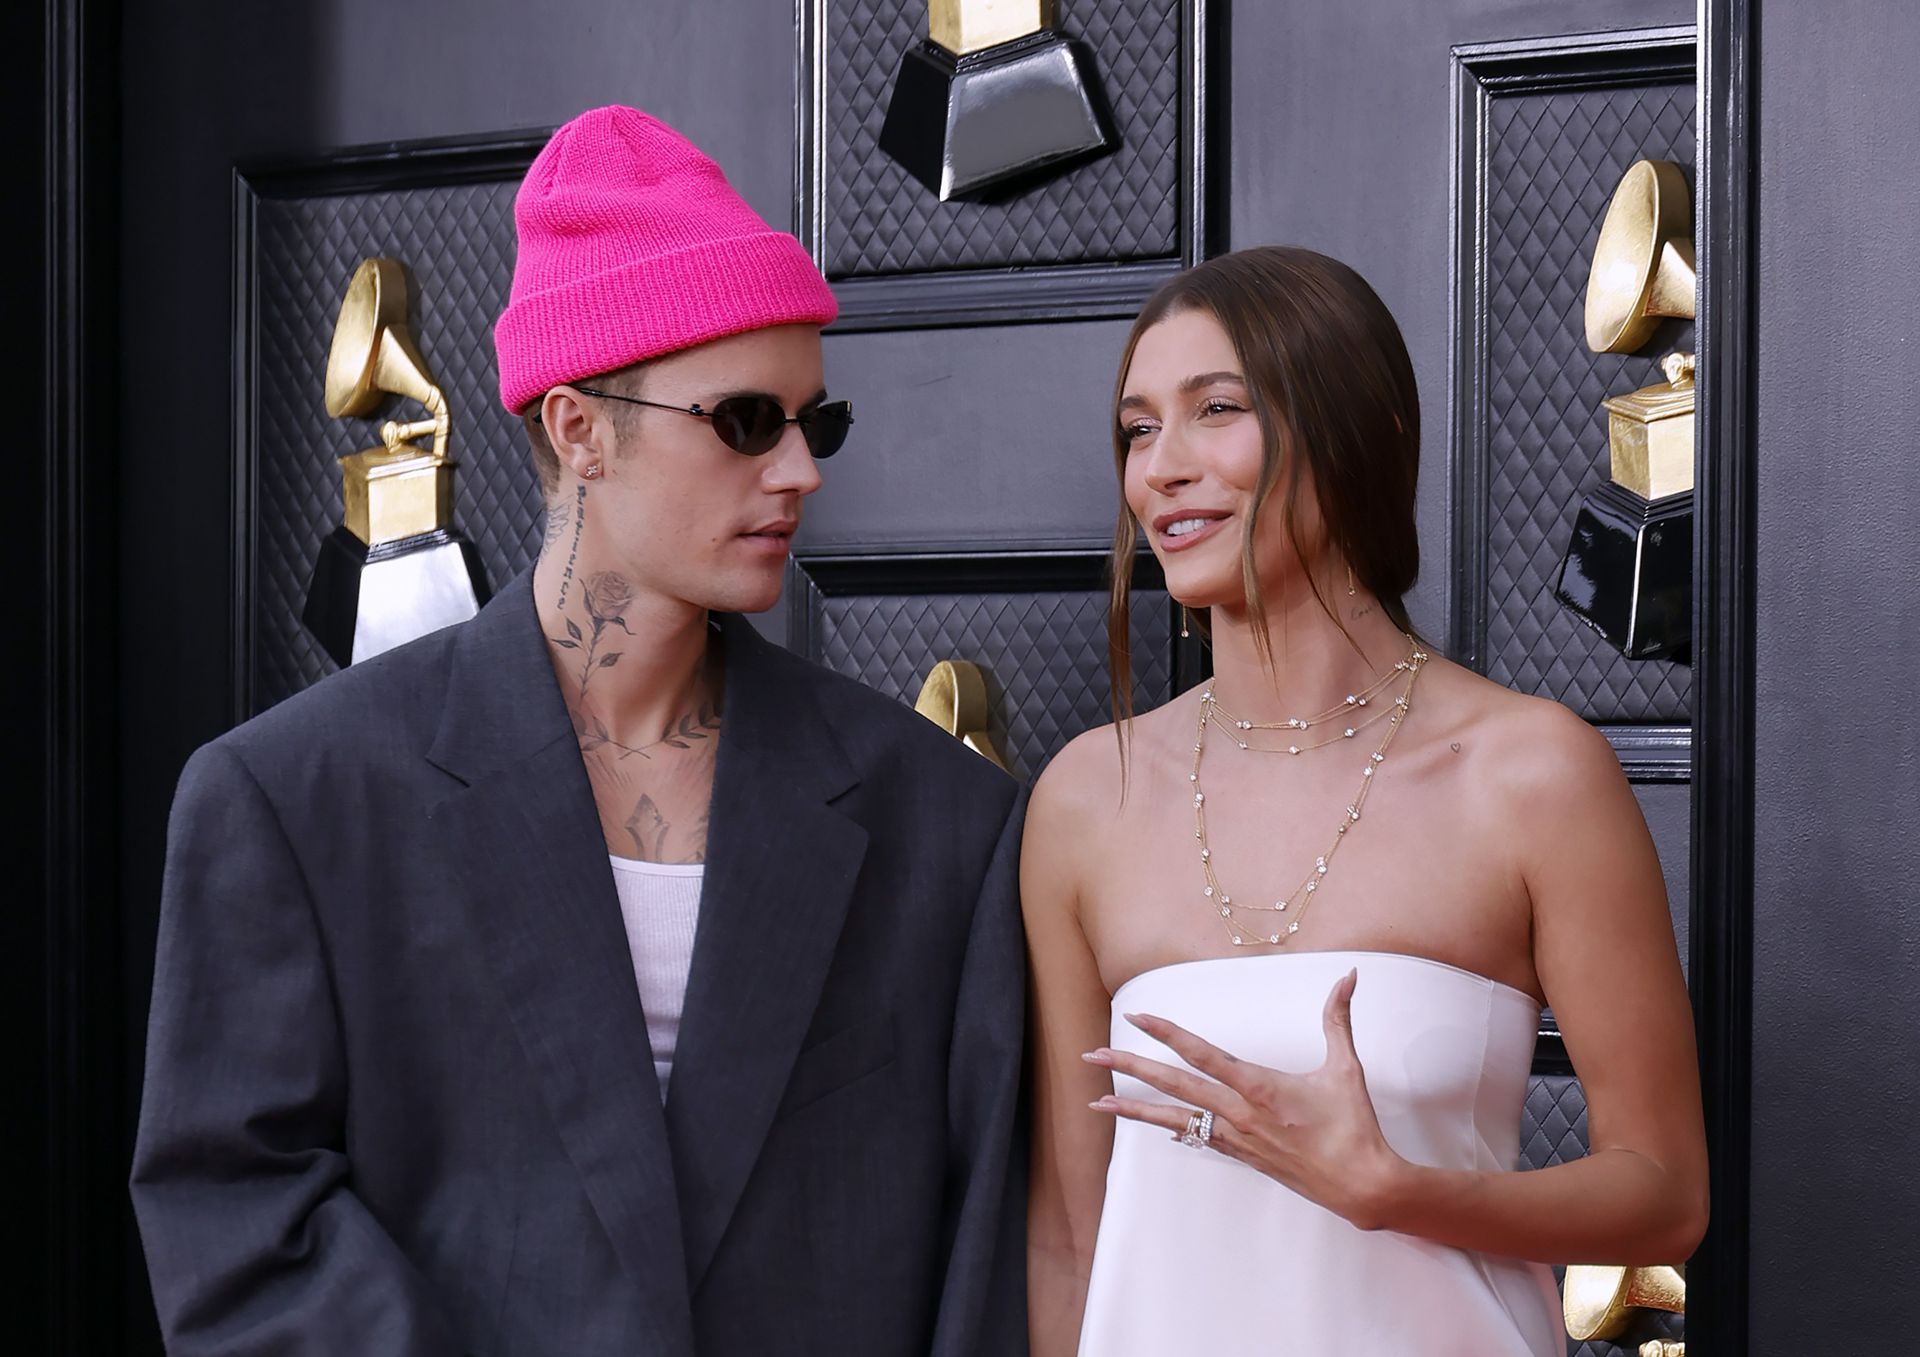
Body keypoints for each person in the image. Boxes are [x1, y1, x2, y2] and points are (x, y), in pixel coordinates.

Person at [132, 105, 1027, 1356]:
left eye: (812, 422)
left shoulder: (941, 821)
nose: (800, 473)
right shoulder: (293, 801)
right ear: (577, 428)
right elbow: (236, 1217)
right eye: (745, 421)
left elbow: (985, 1252)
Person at [1021, 246, 1709, 1355]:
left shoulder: (1530, 773)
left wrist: (1393, 1190)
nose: (1162, 467)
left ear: (1355, 433)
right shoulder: (1086, 798)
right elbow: (1067, 1232)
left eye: (1219, 410)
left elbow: (1665, 1189)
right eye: (1138, 429)